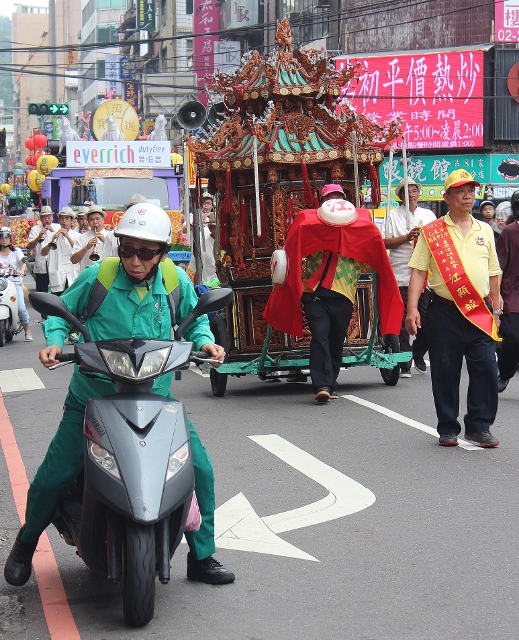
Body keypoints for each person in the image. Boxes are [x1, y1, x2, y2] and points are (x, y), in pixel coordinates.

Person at [4, 203, 235, 587]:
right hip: (93, 398)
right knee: (53, 476)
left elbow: (195, 322)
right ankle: (25, 546)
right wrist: (56, 342)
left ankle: (202, 556)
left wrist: (207, 344)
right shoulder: (99, 276)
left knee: (200, 471)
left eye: (145, 253)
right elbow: (61, 312)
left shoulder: (175, 281)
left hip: (158, 400)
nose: (134, 260)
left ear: (162, 253)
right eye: (127, 249)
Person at [264, 183, 403, 404]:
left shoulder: (359, 231)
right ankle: (322, 385)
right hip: (315, 294)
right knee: (320, 338)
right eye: (330, 198)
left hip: (343, 296)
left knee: (336, 340)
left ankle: (331, 381)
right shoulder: (311, 229)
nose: (335, 202)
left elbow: (369, 261)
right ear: (323, 203)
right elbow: (294, 249)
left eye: (338, 197)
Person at [405, 169, 502, 448]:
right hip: (444, 311)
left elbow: (493, 270)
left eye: (471, 190)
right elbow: (419, 272)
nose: (467, 195)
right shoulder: (432, 233)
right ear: (446, 196)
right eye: (460, 190)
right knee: (446, 370)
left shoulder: (485, 229)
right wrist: (413, 309)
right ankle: (448, 427)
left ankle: (478, 426)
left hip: (479, 310)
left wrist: (495, 306)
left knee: (485, 366)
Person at [382, 178, 436, 377]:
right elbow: (384, 242)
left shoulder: (428, 215)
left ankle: (418, 352)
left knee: (428, 320)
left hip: (426, 276)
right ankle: (404, 361)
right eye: (407, 191)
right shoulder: (392, 216)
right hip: (401, 274)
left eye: (414, 191)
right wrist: (406, 237)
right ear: (400, 196)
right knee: (403, 320)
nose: (411, 195)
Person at [495, 190, 519, 393]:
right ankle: (504, 372)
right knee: (512, 337)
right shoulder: (509, 232)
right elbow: (499, 266)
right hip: (512, 291)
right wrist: (497, 295)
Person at [0, 226, 32, 340]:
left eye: (6, 237)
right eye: (1, 237)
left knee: (21, 308)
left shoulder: (16, 251)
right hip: (1, 284)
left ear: (10, 238)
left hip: (14, 284)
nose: (4, 240)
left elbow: (22, 262)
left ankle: (27, 332)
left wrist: (22, 270)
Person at [41, 206, 80, 293]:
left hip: (72, 276)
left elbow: (79, 251)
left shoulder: (77, 236)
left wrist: (67, 237)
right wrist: (52, 240)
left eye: (66, 219)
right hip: (58, 277)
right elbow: (43, 253)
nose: (64, 221)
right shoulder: (51, 235)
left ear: (72, 221)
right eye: (61, 218)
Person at [27, 206, 60, 295]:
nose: (46, 219)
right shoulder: (35, 229)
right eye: (44, 217)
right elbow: (30, 245)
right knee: (42, 293)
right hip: (41, 267)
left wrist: (53, 232)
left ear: (52, 218)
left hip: (55, 266)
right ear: (40, 219)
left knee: (56, 292)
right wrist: (38, 236)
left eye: (49, 217)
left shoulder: (57, 227)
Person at [70, 206, 113, 272]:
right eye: (92, 219)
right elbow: (73, 260)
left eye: (97, 219)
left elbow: (116, 255)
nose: (95, 222)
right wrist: (86, 247)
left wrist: (105, 241)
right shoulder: (81, 238)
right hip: (87, 276)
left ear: (103, 220)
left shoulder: (110, 235)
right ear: (88, 222)